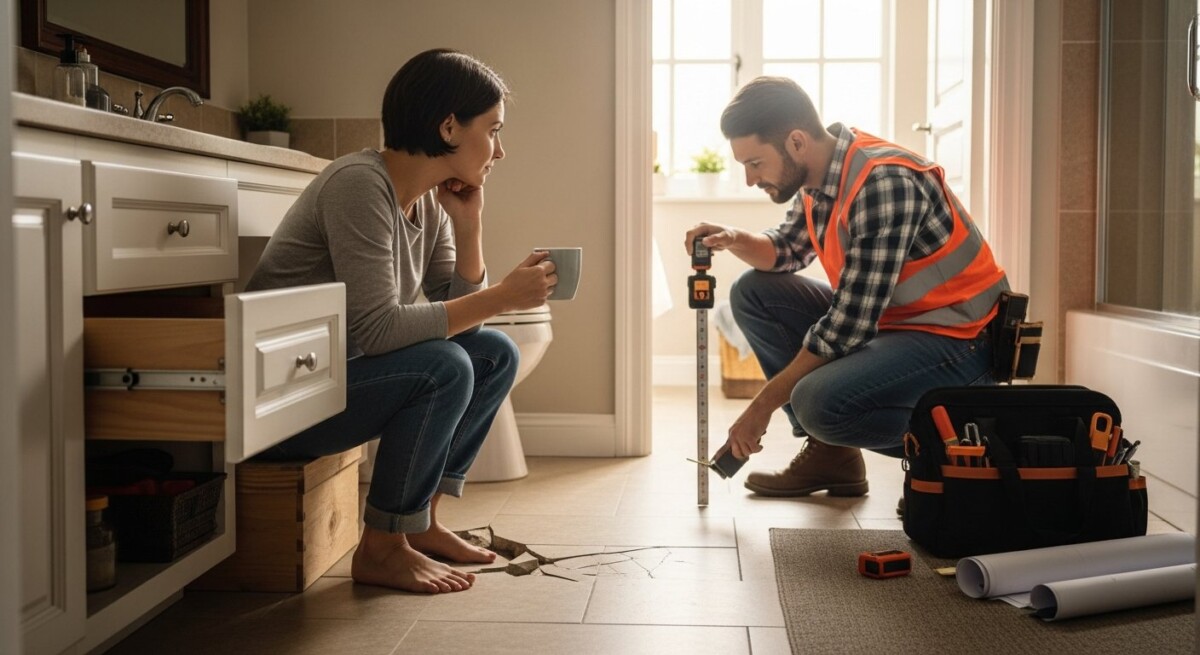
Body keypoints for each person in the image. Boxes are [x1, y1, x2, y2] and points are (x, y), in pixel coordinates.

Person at [246, 49, 557, 594]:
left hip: (340, 380)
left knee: (493, 353)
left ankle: (422, 523)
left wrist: (469, 226)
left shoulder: (429, 202)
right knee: (444, 365)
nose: (500, 151)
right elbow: (379, 330)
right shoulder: (358, 185)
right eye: (494, 130)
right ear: (448, 127)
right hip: (285, 401)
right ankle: (383, 548)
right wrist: (505, 296)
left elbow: (465, 322)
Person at [685, 77, 1007, 499]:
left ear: (796, 142)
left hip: (962, 340)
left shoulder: (882, 182)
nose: (749, 179)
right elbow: (785, 251)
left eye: (755, 163)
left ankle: (957, 451)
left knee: (817, 403)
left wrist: (759, 408)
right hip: (896, 328)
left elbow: (846, 328)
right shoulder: (817, 178)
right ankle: (831, 457)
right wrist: (732, 237)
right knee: (753, 291)